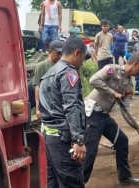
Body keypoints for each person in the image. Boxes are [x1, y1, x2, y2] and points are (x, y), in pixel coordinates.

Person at [83, 52, 139, 186]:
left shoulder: (129, 86)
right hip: (91, 114)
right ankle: (78, 183)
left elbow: (126, 110)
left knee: (122, 141)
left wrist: (138, 126)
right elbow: (93, 80)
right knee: (90, 151)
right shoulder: (111, 69)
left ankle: (125, 177)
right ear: (135, 64)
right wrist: (112, 93)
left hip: (104, 115)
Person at [39, 36, 86, 188]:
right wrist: (78, 140)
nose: (82, 63)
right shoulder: (68, 73)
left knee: (53, 183)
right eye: (83, 58)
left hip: (49, 138)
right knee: (72, 183)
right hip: (62, 139)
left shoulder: (48, 74)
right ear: (77, 53)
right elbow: (71, 106)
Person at [34, 40, 63, 119]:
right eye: (57, 53)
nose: (60, 56)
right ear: (50, 52)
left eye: (61, 54)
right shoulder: (41, 66)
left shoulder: (62, 66)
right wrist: (37, 109)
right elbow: (37, 88)